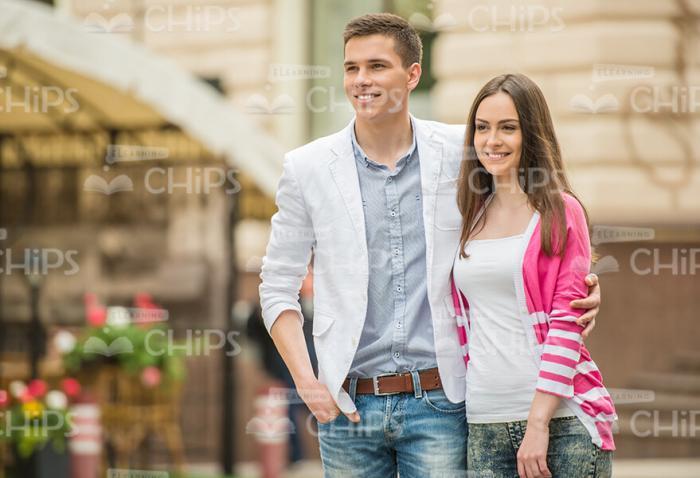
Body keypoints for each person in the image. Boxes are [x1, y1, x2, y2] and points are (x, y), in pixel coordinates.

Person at [259, 13, 602, 477]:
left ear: (413, 74)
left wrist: (575, 289)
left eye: (377, 66)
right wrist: (306, 381)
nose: (362, 80)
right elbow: (277, 285)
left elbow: (527, 223)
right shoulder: (307, 168)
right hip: (348, 407)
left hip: (441, 403)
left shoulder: (464, 151)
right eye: (351, 68)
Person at [450, 73, 616, 478]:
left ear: (532, 134)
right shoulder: (468, 216)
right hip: (484, 423)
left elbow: (566, 323)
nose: (493, 141)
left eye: (508, 128)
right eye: (483, 128)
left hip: (560, 425)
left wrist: (538, 422)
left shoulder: (560, 212)